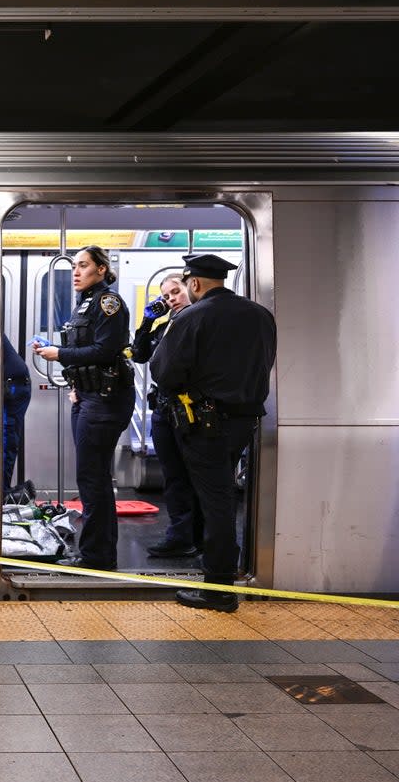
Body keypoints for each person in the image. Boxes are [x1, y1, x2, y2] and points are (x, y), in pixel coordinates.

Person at [150, 253, 277, 613]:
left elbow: (164, 371)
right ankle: (219, 571)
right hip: (244, 421)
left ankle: (219, 587)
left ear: (194, 283)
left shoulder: (192, 316)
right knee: (221, 496)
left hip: (206, 425)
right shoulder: (260, 315)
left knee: (216, 501)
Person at [34, 245, 134, 571]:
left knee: (93, 480)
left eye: (84, 265)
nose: (76, 272)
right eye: (74, 266)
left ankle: (97, 557)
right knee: (92, 478)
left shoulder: (109, 303)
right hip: (89, 397)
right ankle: (97, 552)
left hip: (105, 401)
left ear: (101, 270)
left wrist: (58, 354)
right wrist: (77, 385)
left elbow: (105, 351)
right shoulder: (85, 304)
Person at [130, 273, 202, 558]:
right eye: (167, 296)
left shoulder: (197, 321)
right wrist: (147, 323)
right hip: (163, 409)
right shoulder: (165, 327)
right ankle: (180, 535)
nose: (172, 299)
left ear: (190, 289)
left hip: (189, 410)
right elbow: (138, 354)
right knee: (173, 476)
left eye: (176, 292)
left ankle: (196, 535)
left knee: (193, 475)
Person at [1, 332, 32, 498]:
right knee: (5, 441)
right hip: (12, 383)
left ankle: (1, 493)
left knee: (6, 441)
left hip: (13, 387)